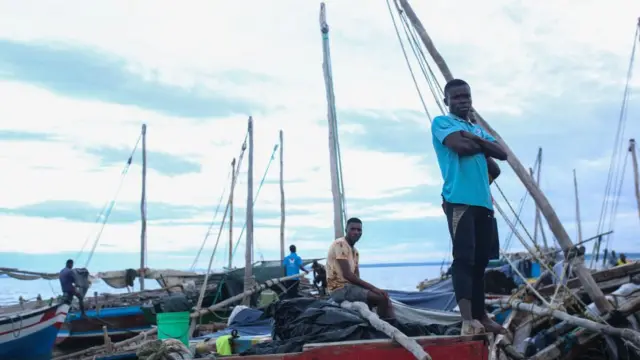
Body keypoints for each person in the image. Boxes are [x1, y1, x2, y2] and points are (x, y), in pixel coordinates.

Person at [431, 79, 508, 335]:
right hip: (460, 201)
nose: (463, 101)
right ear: (447, 101)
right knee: (464, 259)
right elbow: (460, 147)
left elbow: (501, 155)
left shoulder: (473, 128)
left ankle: (481, 315)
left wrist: (474, 137)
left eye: (467, 97)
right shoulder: (442, 123)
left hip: (483, 204)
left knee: (481, 261)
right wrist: (480, 145)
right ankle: (467, 318)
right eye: (457, 97)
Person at [326, 218, 394, 319]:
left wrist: (371, 291)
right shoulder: (340, 244)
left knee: (383, 297)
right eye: (353, 229)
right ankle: (385, 328)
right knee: (381, 298)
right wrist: (374, 288)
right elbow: (348, 275)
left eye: (359, 230)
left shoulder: (355, 252)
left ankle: (390, 324)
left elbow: (356, 277)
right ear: (346, 230)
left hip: (349, 288)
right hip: (339, 289)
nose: (356, 232)